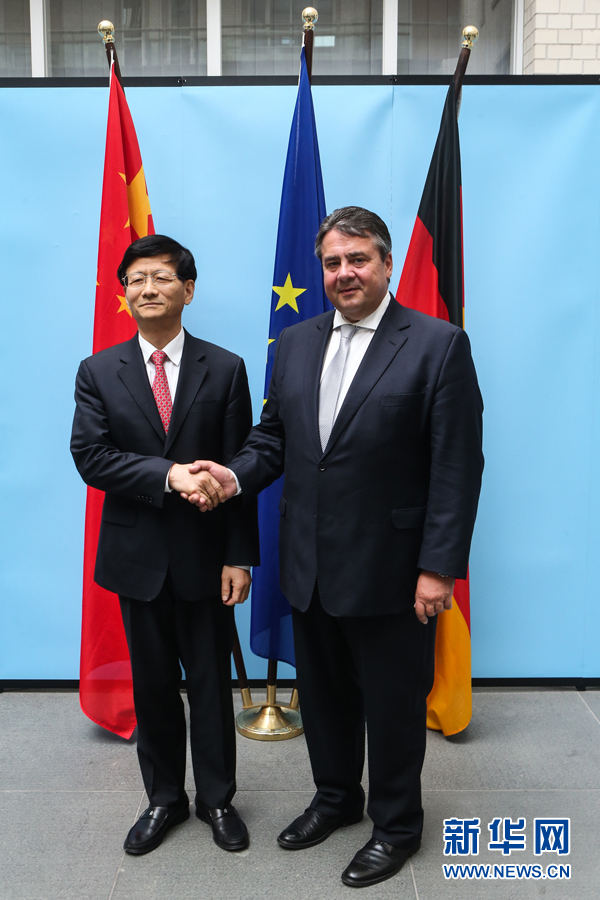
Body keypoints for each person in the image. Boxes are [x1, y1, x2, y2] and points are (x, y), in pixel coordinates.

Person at [184, 207, 484, 887]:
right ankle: (336, 797)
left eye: (357, 259)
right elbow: (273, 439)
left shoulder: (438, 345)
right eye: (332, 262)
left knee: (393, 706)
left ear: (386, 264)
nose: (344, 273)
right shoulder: (295, 342)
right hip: (309, 563)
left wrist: (438, 569)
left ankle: (397, 825)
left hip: (393, 569)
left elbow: (457, 466)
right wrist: (233, 475)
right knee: (322, 698)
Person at [71, 235, 259, 856]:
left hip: (206, 558)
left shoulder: (225, 368)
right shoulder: (99, 371)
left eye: (161, 277)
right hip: (137, 559)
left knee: (210, 685)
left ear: (188, 289)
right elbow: (91, 457)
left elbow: (241, 469)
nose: (147, 288)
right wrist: (168, 474)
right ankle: (164, 798)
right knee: (152, 687)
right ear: (125, 293)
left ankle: (218, 800)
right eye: (136, 280)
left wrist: (239, 555)